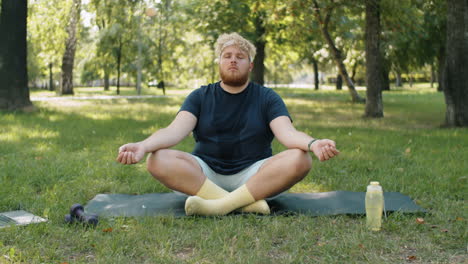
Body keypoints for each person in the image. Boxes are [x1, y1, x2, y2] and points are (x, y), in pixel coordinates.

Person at [116, 32, 339, 216]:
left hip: (255, 176)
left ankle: (218, 206)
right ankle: (242, 204)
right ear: (219, 62)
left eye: (240, 56)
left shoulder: (267, 97)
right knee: (156, 159)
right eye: (228, 55)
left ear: (250, 65)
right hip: (205, 174)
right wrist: (143, 146)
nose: (233, 60)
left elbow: (287, 133)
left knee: (300, 158)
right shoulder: (200, 96)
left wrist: (313, 143)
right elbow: (174, 131)